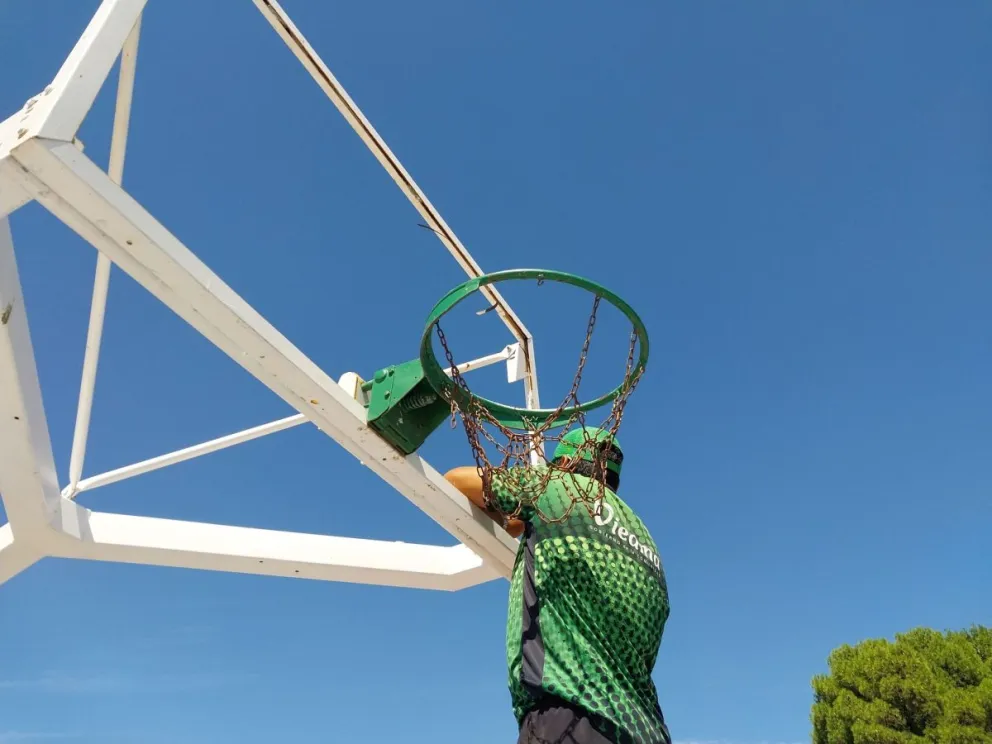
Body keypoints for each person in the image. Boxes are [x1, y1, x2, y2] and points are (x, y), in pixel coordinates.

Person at [444, 426, 671, 744]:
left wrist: (517, 514)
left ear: (563, 464)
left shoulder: (560, 489)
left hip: (570, 721)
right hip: (644, 729)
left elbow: (457, 479)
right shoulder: (646, 541)